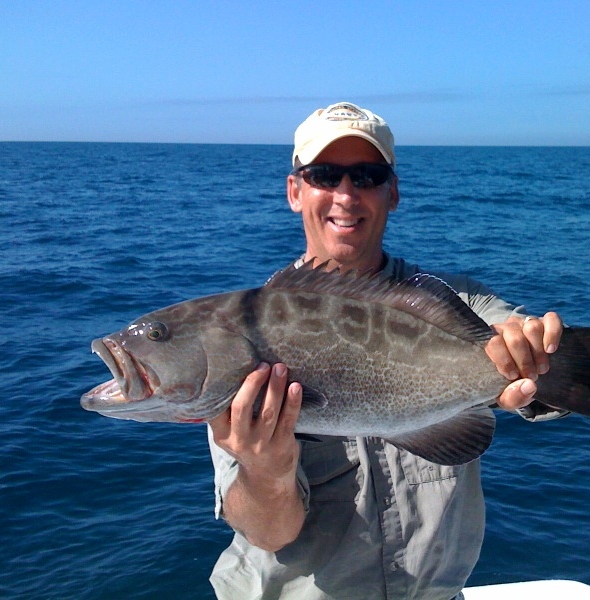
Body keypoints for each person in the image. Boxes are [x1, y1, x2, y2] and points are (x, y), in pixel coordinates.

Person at [206, 102, 565, 599]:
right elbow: (269, 534)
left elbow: (521, 341)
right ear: (295, 191)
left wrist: (534, 353)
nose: (346, 195)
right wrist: (265, 469)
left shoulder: (452, 305)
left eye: (368, 177)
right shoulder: (251, 334)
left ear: (393, 192)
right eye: (325, 175)